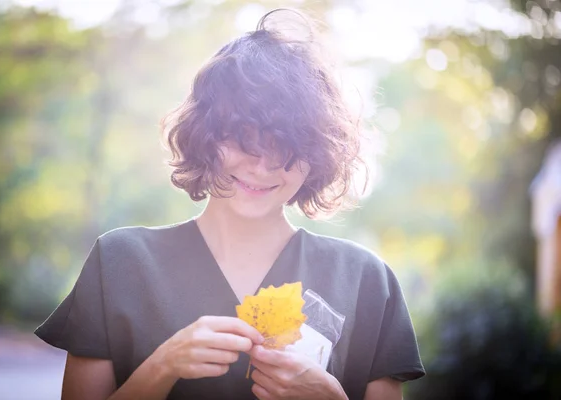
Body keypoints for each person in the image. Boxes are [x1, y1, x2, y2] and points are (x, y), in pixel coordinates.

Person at [35, 8, 425, 400]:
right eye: (242, 138)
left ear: (318, 155)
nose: (263, 165)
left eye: (287, 146)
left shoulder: (365, 280)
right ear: (203, 136)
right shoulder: (120, 261)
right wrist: (163, 366)